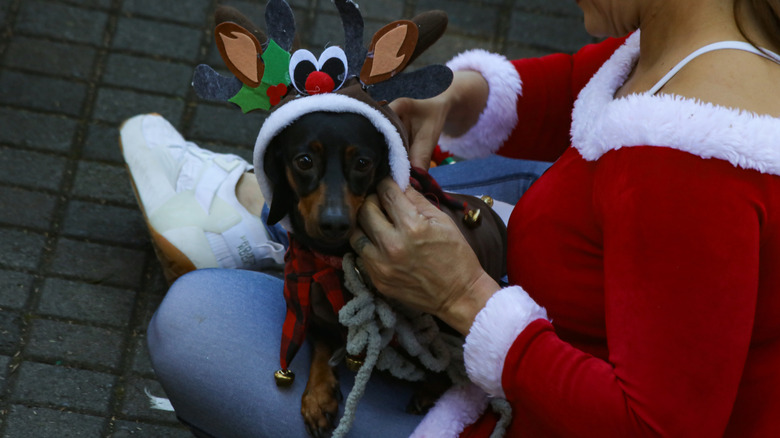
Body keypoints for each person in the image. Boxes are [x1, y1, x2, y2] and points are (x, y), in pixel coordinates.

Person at [137, 0, 780, 436]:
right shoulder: (716, 43)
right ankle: (267, 214)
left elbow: (656, 429)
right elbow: (595, 85)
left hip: (511, 409)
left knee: (193, 328)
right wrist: (462, 95)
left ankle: (254, 219)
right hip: (569, 297)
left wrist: (463, 298)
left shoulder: (684, 172)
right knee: (374, 184)